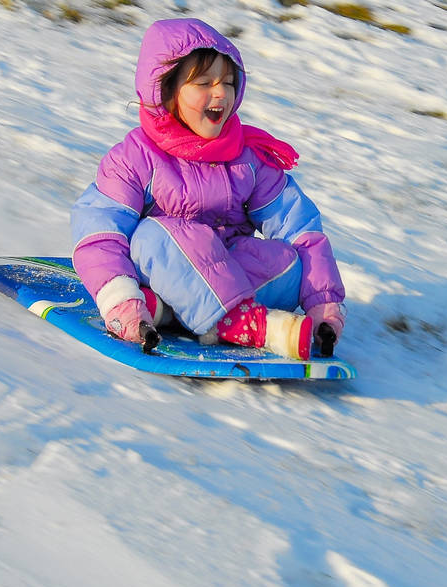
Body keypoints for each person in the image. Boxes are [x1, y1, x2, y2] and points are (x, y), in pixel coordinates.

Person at [71, 18, 345, 360]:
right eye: (203, 82)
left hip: (223, 267)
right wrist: (121, 300)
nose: (221, 94)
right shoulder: (134, 158)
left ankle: (172, 313)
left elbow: (297, 224)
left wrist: (323, 303)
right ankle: (241, 322)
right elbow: (100, 231)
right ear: (166, 90)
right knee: (152, 235)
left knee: (290, 261)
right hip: (158, 265)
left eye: (228, 83)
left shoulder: (247, 156)